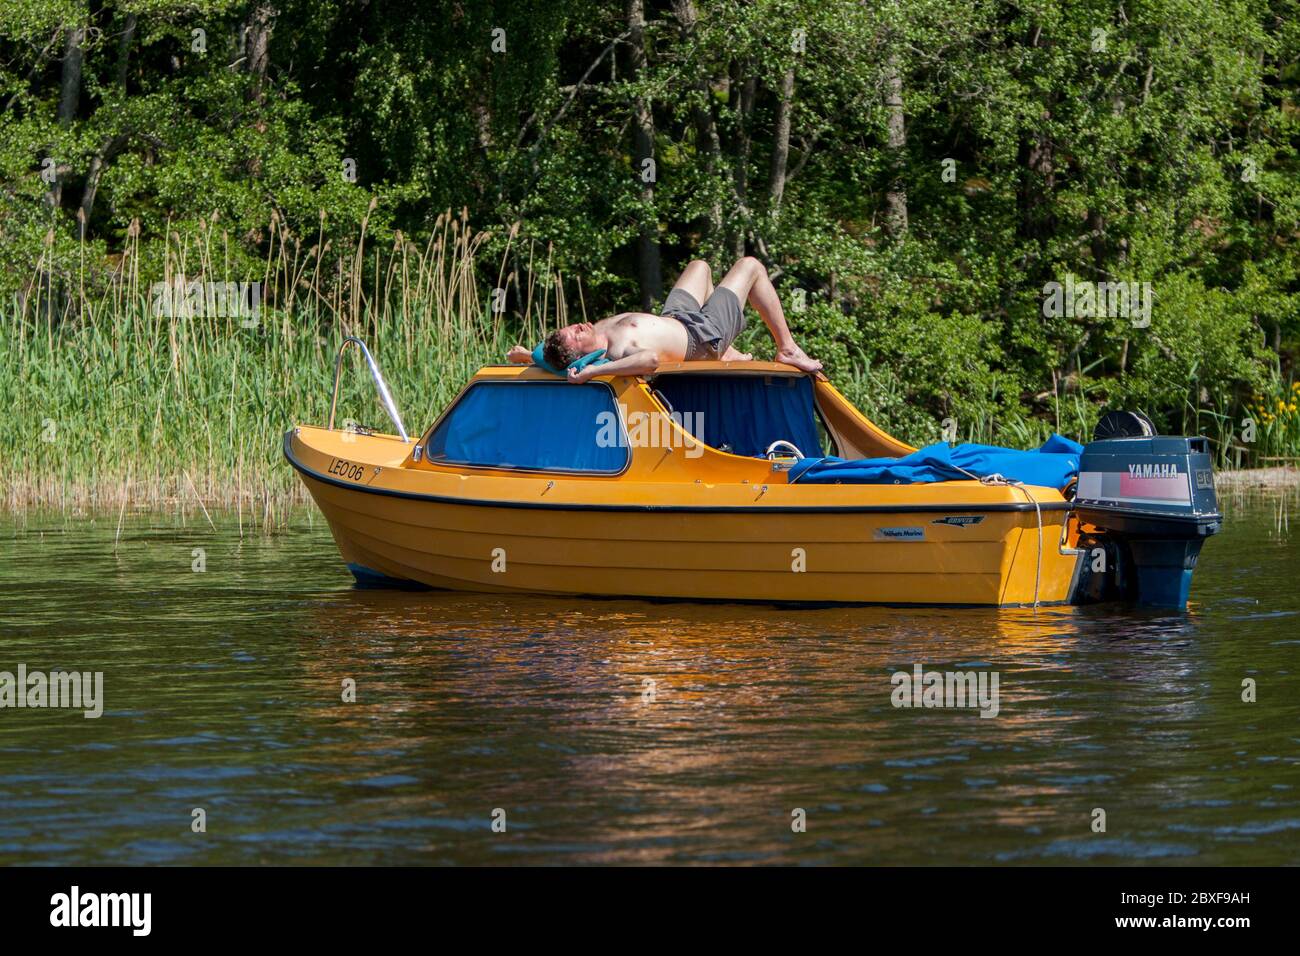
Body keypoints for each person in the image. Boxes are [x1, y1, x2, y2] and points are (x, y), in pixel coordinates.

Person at [506, 257, 823, 382]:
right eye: (575, 334)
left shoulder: (589, 333)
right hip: (703, 337)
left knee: (700, 266)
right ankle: (788, 348)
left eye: (571, 326)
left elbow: (547, 355)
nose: (578, 326)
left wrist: (526, 356)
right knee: (751, 266)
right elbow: (650, 360)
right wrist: (590, 372)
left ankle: (728, 350)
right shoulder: (616, 353)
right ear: (582, 355)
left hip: (678, 317)